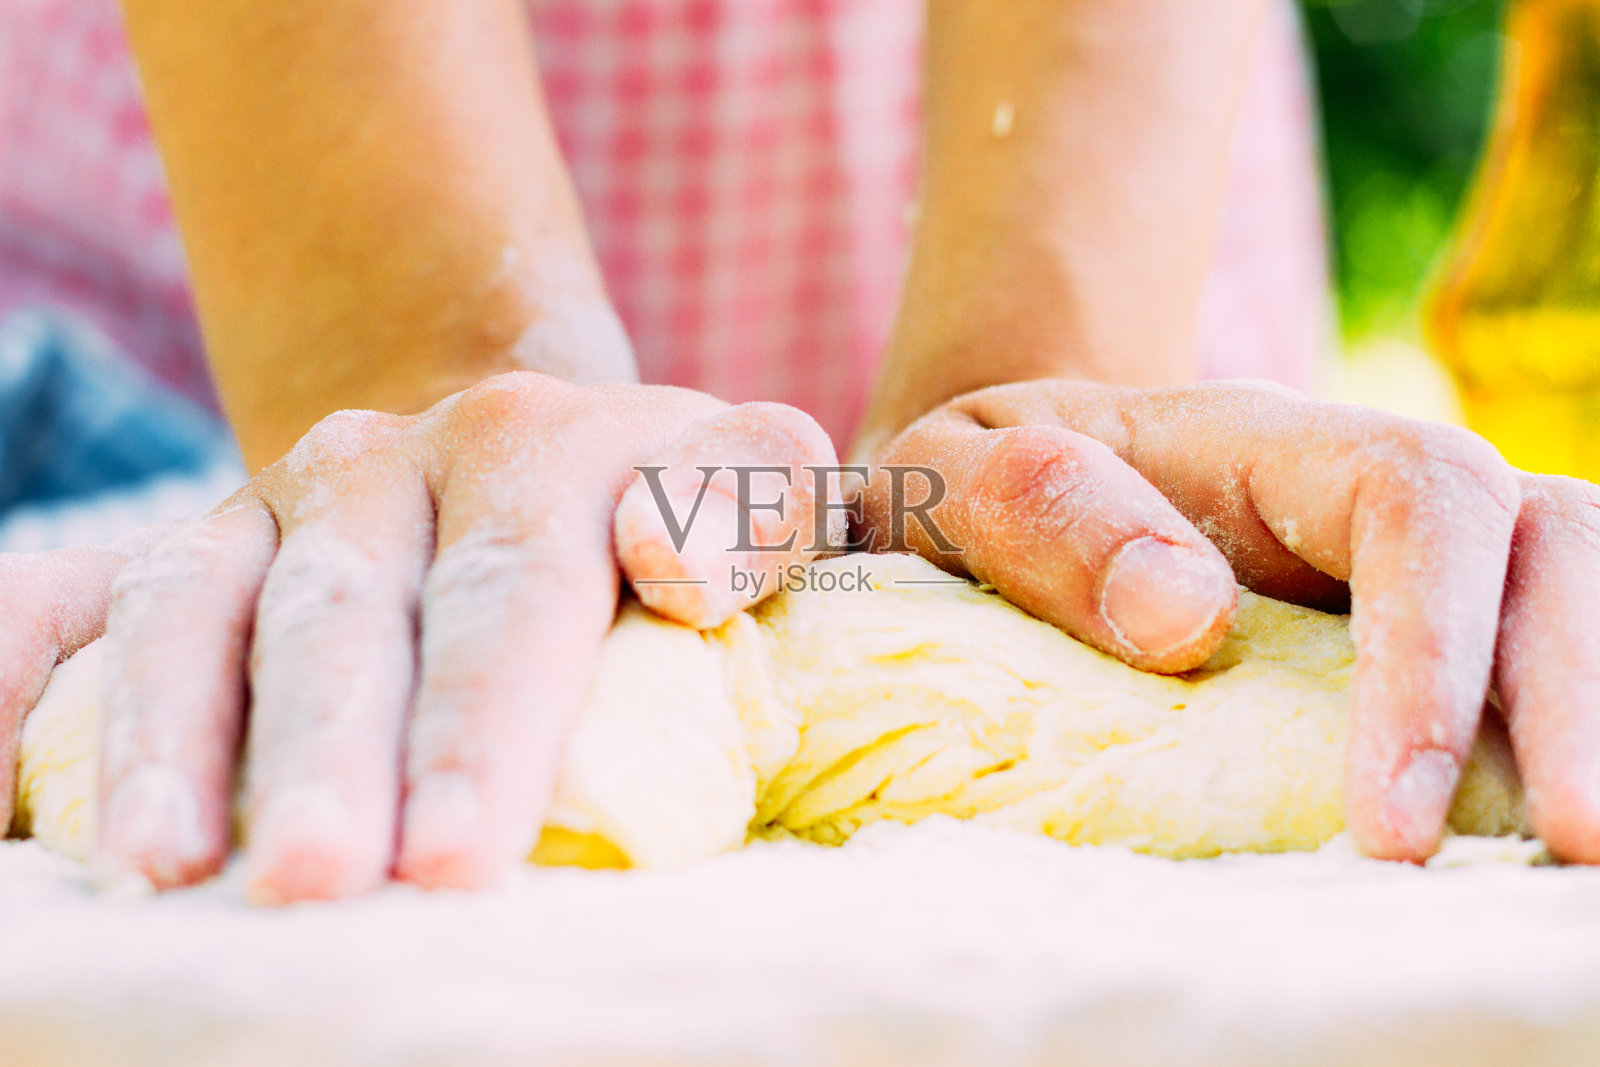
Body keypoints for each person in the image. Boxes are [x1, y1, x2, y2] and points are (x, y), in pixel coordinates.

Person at [2, 0, 1597, 905]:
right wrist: (443, 382)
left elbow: (1061, 438)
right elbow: (431, 451)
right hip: (204, 314)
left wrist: (1044, 391)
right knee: (403, 607)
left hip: (1104, 198)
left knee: (1110, 563)